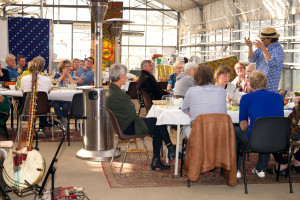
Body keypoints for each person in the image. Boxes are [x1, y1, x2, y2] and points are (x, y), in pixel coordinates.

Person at [105, 63, 176, 170]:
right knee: (159, 122)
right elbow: (132, 112)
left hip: (125, 124)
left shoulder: (112, 91)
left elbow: (130, 109)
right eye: (125, 75)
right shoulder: (118, 94)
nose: (126, 77)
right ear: (120, 76)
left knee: (157, 125)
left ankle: (160, 155)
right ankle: (169, 147)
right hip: (129, 126)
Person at [235, 70, 284, 178]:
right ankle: (260, 168)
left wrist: (249, 125)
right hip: (277, 140)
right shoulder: (279, 97)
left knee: (234, 131)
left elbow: (242, 126)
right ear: (266, 84)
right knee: (266, 130)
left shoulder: (246, 98)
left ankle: (236, 170)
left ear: (251, 86)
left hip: (256, 141)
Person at [181, 64, 227, 139]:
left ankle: (183, 150)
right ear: (212, 77)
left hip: (199, 132)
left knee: (185, 127)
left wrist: (190, 110)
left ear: (196, 77)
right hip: (219, 132)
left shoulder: (192, 91)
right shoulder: (222, 91)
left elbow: (184, 108)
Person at [245, 27, 284, 92]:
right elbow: (251, 59)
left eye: (263, 39)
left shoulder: (278, 49)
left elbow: (271, 62)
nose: (261, 40)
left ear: (270, 39)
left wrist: (263, 49)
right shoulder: (263, 47)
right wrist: (250, 47)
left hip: (270, 88)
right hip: (257, 87)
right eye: (261, 38)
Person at [20, 56, 52, 132]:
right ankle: (42, 127)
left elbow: (23, 91)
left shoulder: (24, 78)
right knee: (44, 101)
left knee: (36, 102)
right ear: (43, 67)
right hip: (42, 109)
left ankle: (31, 128)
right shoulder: (47, 80)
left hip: (27, 108)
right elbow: (48, 92)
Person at [51, 59, 77, 128]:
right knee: (55, 104)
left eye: (69, 66)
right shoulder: (57, 74)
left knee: (66, 105)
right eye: (66, 66)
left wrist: (69, 75)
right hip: (57, 97)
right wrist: (62, 75)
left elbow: (74, 84)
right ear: (62, 67)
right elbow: (55, 84)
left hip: (66, 97)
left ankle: (61, 119)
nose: (68, 68)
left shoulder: (72, 74)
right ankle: (63, 119)